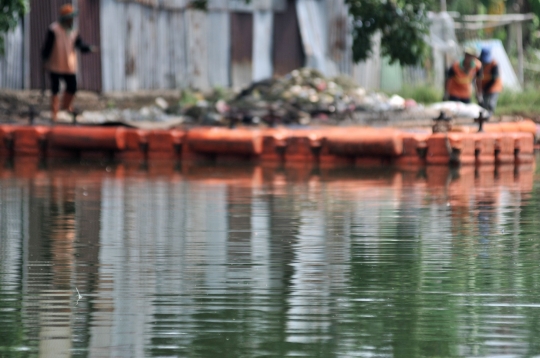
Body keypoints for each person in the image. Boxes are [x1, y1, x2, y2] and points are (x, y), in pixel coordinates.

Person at [41, 4, 96, 123]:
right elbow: (47, 46)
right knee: (55, 89)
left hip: (69, 65)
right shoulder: (54, 29)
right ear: (65, 18)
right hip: (55, 64)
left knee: (72, 87)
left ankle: (66, 106)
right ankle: (54, 113)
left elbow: (79, 44)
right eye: (70, 18)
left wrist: (89, 48)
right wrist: (44, 60)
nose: (72, 20)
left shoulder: (74, 30)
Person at [479, 47, 502, 114]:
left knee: (491, 103)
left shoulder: (494, 64)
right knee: (483, 103)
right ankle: (483, 117)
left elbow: (494, 79)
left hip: (494, 86)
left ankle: (490, 116)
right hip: (484, 86)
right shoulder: (478, 63)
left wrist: (486, 88)